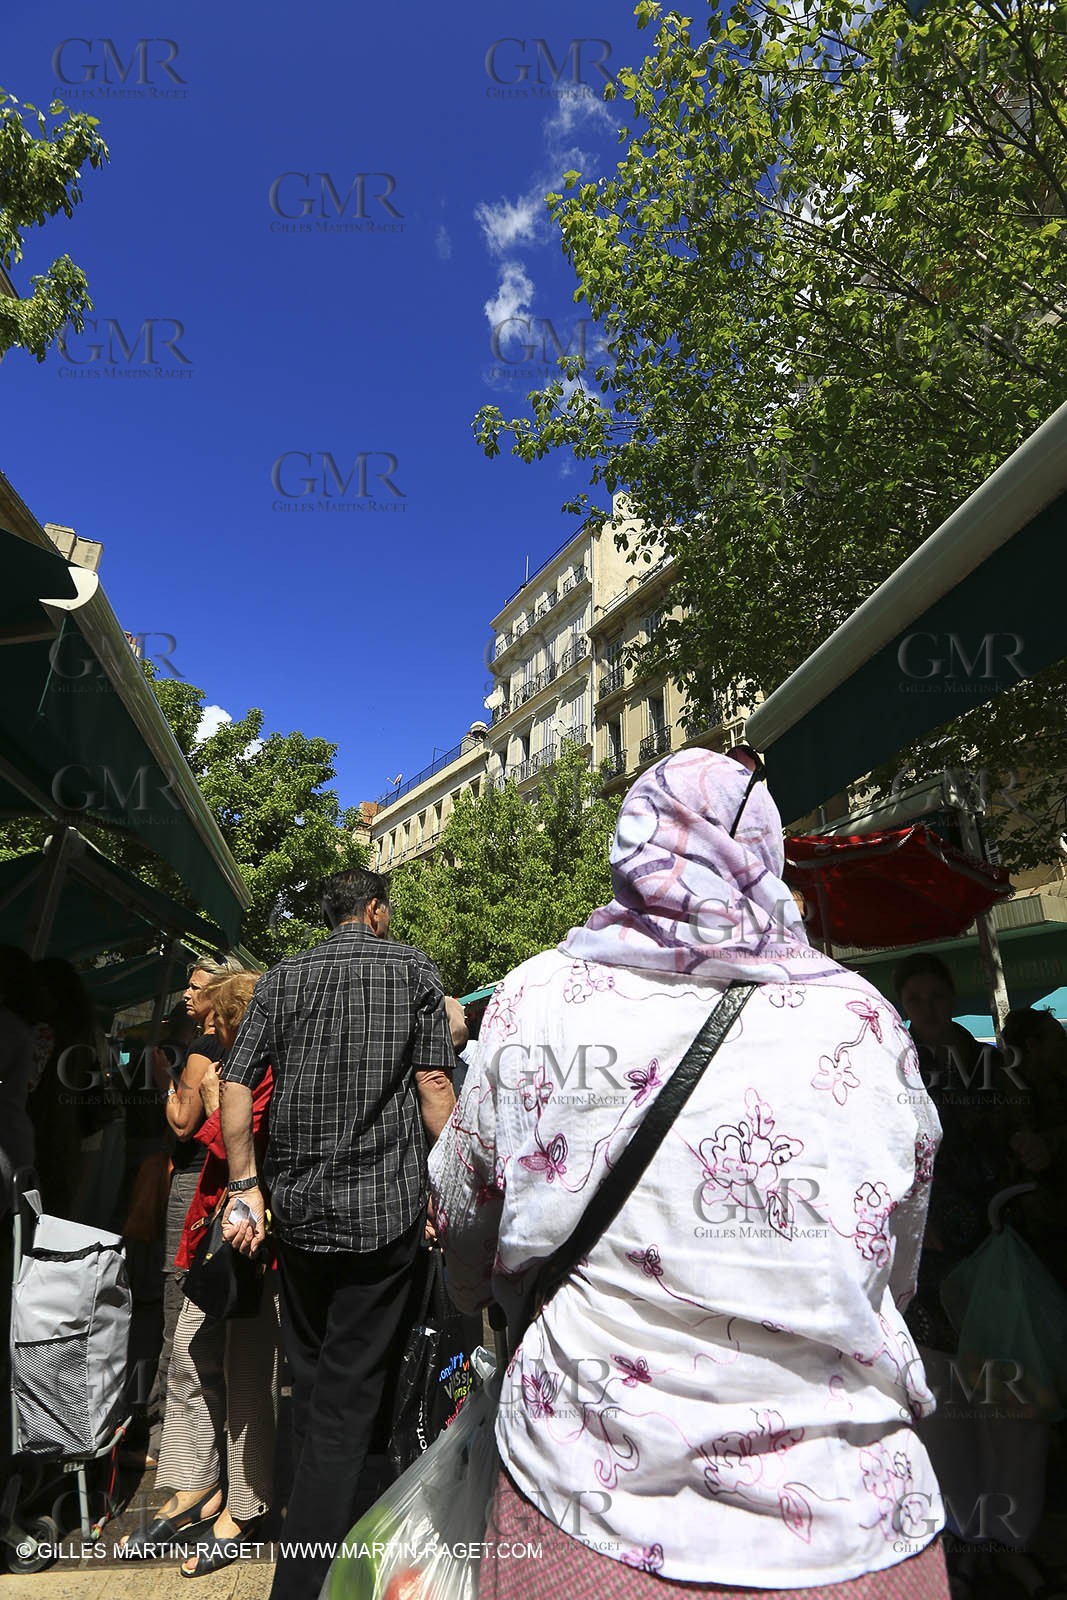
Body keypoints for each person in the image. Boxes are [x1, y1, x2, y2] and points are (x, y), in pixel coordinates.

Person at [430, 748, 949, 1599]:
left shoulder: (535, 996)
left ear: (632, 843)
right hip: (854, 1515)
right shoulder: (862, 1017)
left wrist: (472, 1293)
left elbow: (464, 1205)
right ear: (765, 848)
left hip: (585, 1500)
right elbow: (897, 1252)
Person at [220, 867, 455, 1600]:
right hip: (380, 1221)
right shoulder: (412, 969)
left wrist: (244, 1185)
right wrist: (453, 1186)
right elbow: (434, 1087)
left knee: (321, 1386)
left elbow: (234, 1082)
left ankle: (358, 1549)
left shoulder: (281, 978)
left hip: (298, 1219)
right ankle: (304, 1581)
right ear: (376, 911)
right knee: (344, 1406)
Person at [123, 971, 281, 1575]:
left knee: (247, 1373)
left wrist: (216, 1103)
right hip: (210, 1237)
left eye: (217, 1021)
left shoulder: (270, 1071)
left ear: (239, 1018)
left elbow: (239, 1144)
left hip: (250, 1243)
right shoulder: (233, 1063)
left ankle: (244, 1505)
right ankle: (198, 1484)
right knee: (190, 1357)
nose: (210, 1031)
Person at [149, 956, 238, 1466]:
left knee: (177, 1297)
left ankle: (164, 1441)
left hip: (195, 1181)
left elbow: (183, 1123)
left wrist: (165, 1078)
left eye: (197, 986)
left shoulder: (204, 1049)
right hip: (218, 1178)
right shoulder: (232, 1043)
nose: (187, 994)